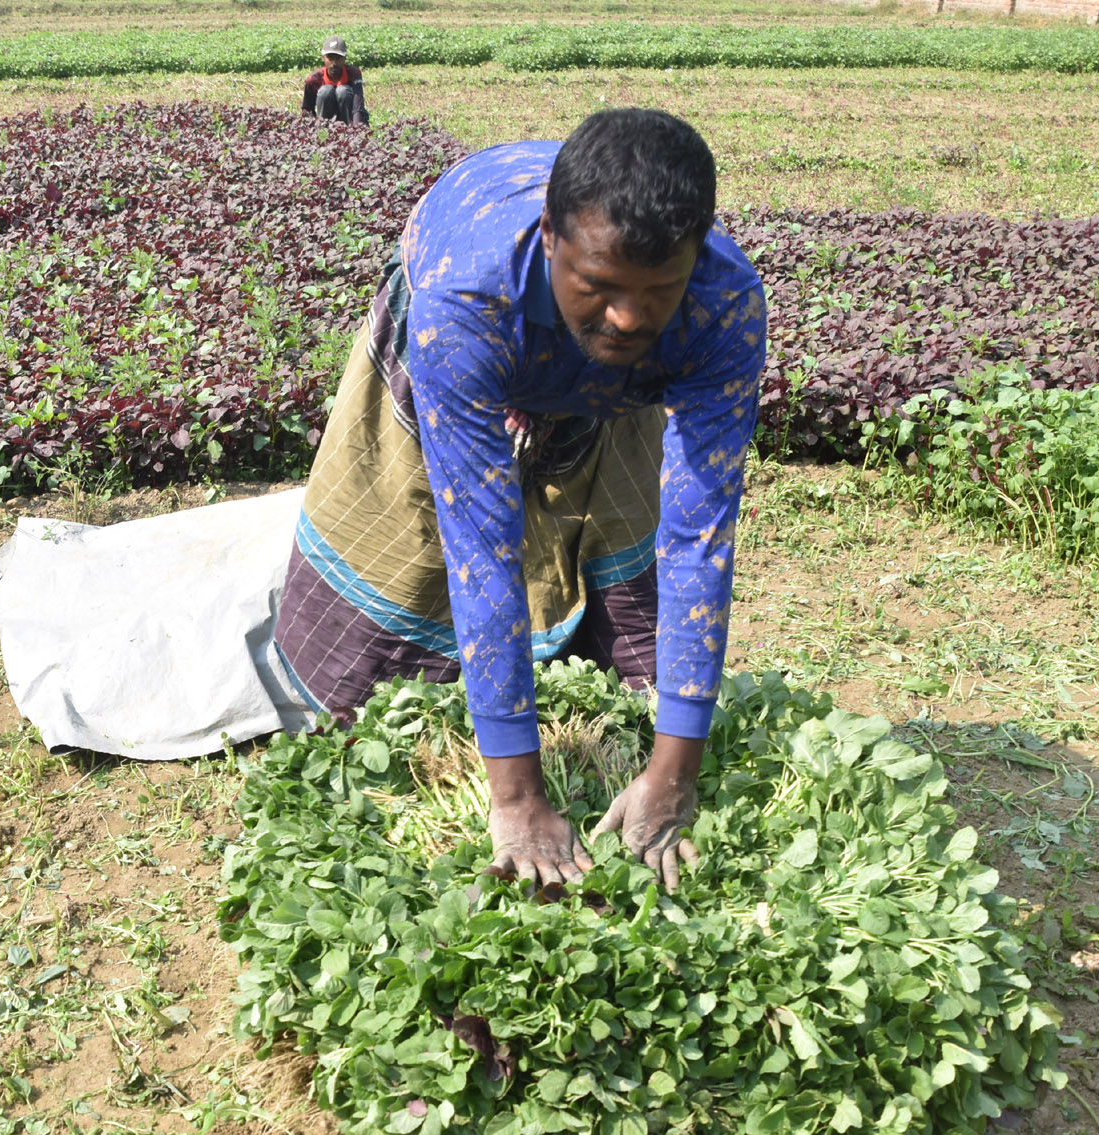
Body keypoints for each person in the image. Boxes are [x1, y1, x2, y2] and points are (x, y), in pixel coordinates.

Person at [274, 108, 766, 893]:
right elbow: (482, 544)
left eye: (659, 288)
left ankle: (579, 663)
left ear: (694, 261)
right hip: (469, 306)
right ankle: (434, 710)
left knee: (621, 529)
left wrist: (674, 775)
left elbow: (699, 534)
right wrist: (518, 796)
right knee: (423, 546)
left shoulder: (721, 304)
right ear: (549, 239)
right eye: (600, 285)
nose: (629, 315)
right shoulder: (461, 304)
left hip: (607, 365)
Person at [301, 37, 368, 126]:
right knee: (325, 91)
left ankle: (349, 129)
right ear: (323, 58)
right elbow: (307, 109)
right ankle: (324, 129)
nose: (334, 63)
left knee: (343, 91)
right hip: (325, 122)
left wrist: (357, 129)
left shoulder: (353, 74)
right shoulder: (314, 79)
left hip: (348, 119)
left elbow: (357, 107)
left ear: (345, 58)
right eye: (330, 58)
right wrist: (313, 128)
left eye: (338, 58)